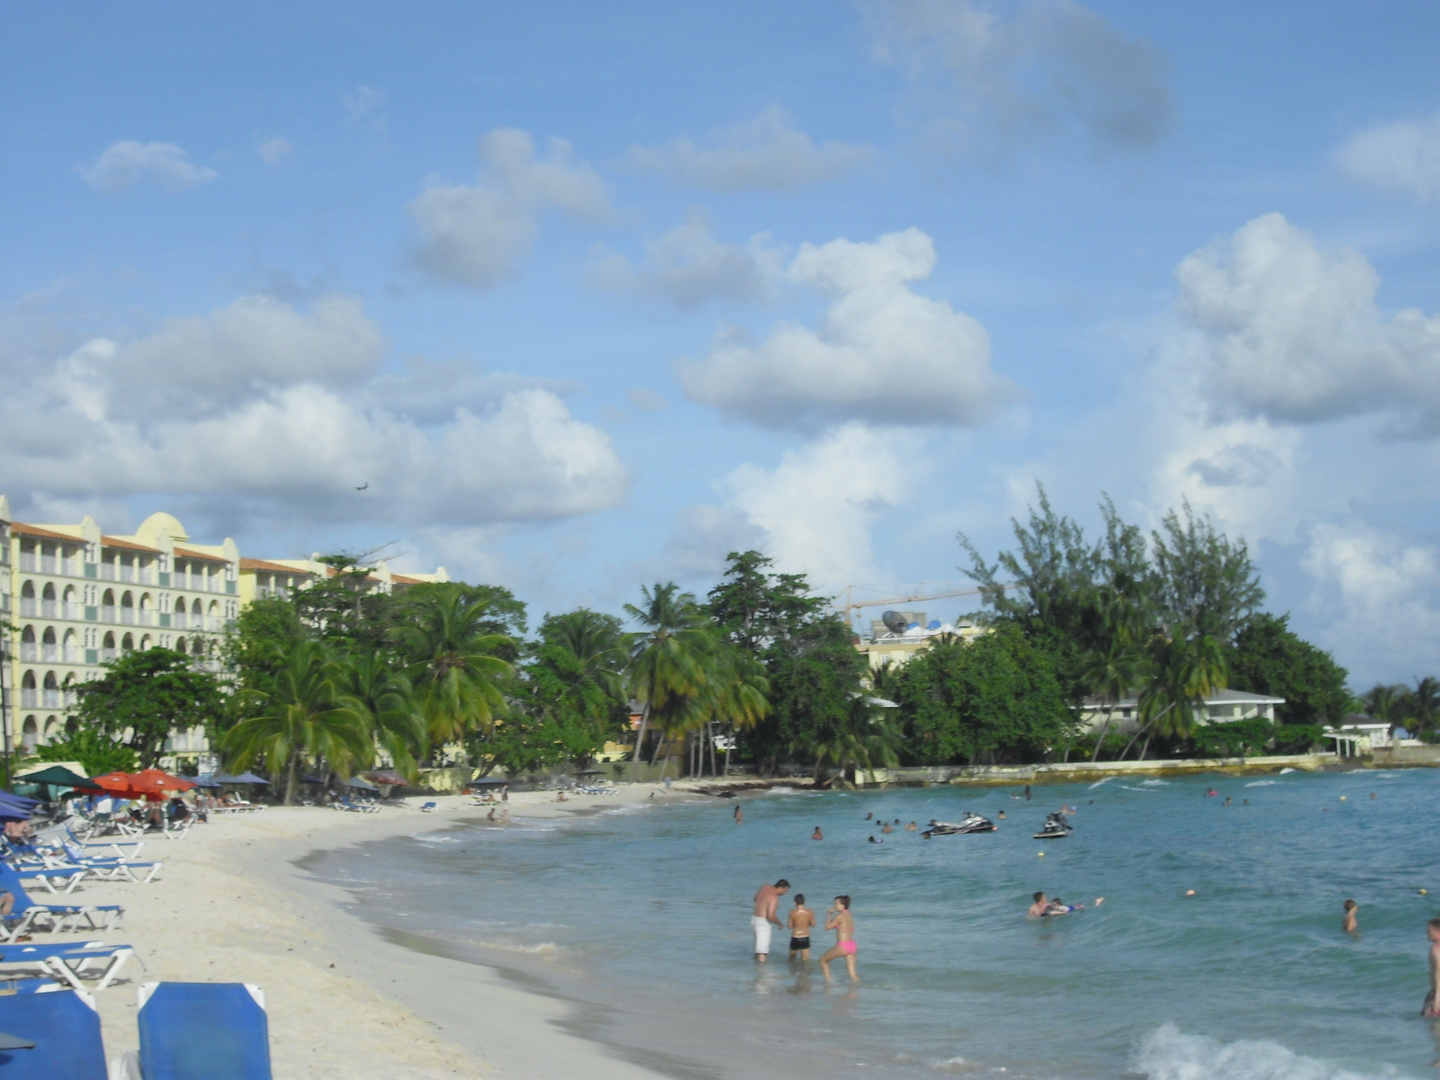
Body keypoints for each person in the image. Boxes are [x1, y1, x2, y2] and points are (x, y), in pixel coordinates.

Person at [820, 896, 858, 983]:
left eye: (836, 903)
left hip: (843, 945)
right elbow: (850, 929)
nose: (834, 905)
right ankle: (858, 991)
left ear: (842, 905)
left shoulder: (840, 916)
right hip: (852, 945)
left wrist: (829, 914)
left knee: (823, 960)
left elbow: (827, 927)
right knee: (853, 974)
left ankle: (828, 984)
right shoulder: (849, 915)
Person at [752, 879, 790, 962]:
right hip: (763, 923)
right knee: (762, 952)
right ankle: (762, 973)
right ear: (780, 888)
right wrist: (780, 924)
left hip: (754, 919)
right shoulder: (774, 897)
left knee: (758, 949)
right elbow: (770, 916)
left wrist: (761, 907)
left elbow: (755, 898)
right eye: (785, 890)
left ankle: (755, 969)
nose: (786, 893)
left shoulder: (765, 886)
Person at [788, 894, 815, 961]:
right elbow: (813, 924)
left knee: (792, 959)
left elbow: (789, 926)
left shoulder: (792, 913)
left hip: (795, 937)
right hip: (805, 937)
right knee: (805, 960)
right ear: (805, 902)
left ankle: (792, 971)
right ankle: (804, 971)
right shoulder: (809, 912)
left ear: (794, 903)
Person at [1424, 917, 1440, 1017]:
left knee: (1434, 1030)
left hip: (1437, 993)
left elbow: (1439, 971)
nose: (1427, 933)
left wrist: (1437, 998)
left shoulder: (1436, 948)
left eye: (1429, 930)